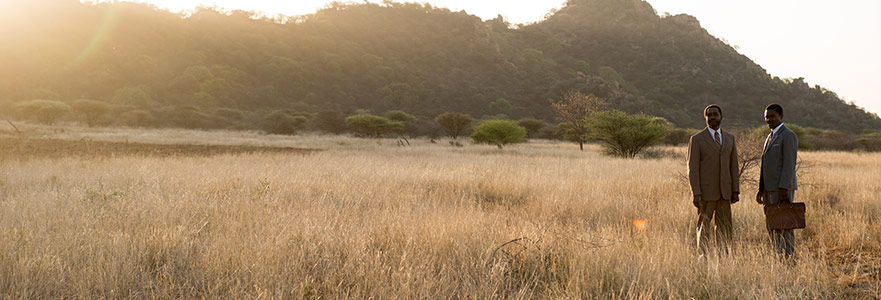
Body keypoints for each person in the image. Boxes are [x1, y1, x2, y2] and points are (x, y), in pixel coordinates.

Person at [687, 104, 740, 253]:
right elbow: (692, 169)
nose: (712, 118)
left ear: (721, 117)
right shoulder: (697, 139)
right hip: (705, 192)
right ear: (705, 118)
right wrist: (696, 192)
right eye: (709, 115)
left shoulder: (730, 138)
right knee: (703, 227)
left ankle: (724, 257)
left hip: (725, 192)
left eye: (715, 114)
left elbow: (734, 166)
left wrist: (735, 190)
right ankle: (702, 256)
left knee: (725, 229)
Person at [756, 103, 798, 259]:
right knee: (773, 225)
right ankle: (778, 256)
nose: (768, 119)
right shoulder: (770, 136)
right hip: (769, 189)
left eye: (772, 116)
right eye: (766, 117)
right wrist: (761, 188)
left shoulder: (788, 135)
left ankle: (789, 257)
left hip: (781, 189)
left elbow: (789, 164)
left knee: (785, 224)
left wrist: (783, 189)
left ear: (781, 116)